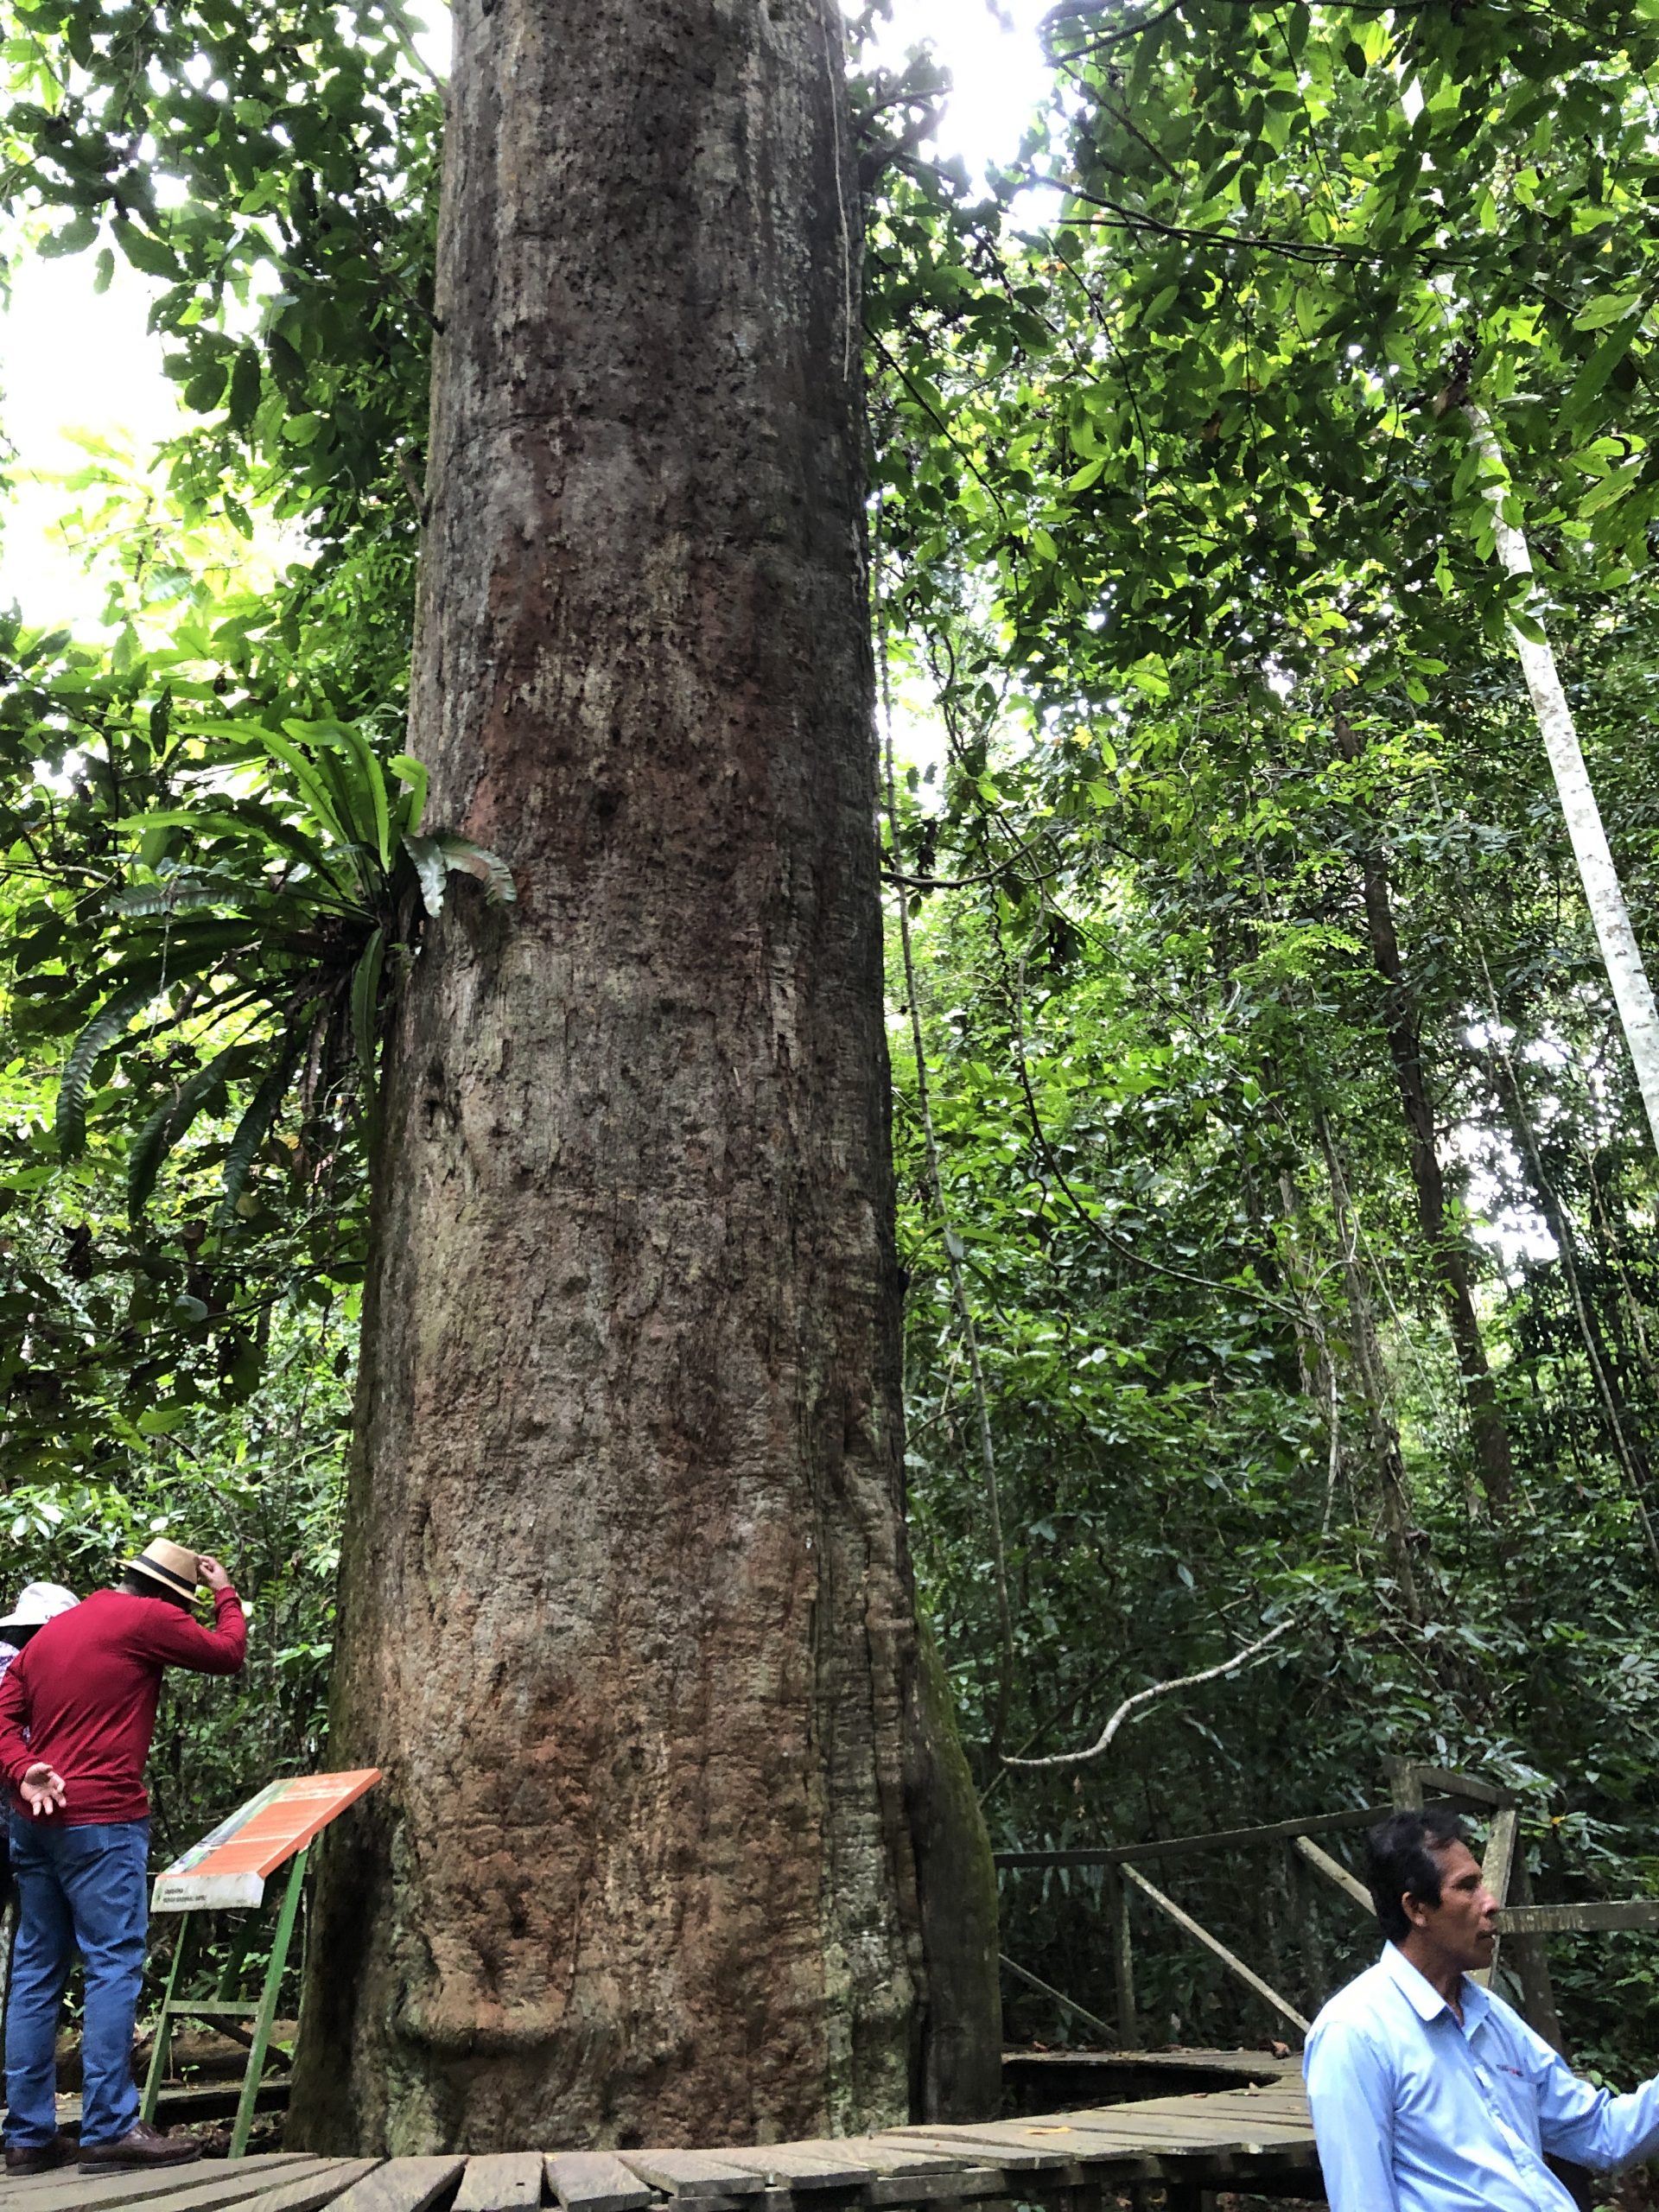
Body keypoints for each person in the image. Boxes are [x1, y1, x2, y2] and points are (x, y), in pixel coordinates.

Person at [0, 1538, 246, 2178]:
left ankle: (27, 2137)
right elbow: (229, 1653)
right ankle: (110, 2127)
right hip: (103, 1821)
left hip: (36, 1822)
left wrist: (22, 1767)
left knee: (35, 1973)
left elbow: (2, 1710)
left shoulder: (52, 1634)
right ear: (171, 1594)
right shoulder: (151, 1619)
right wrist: (224, 1594)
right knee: (112, 1964)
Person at [1305, 1805, 1659, 2212]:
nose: (1490, 1903)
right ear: (1416, 1909)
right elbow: (1362, 2202)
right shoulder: (1354, 2033)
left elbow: (1602, 2134)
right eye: (1468, 1886)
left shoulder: (1491, 2015)